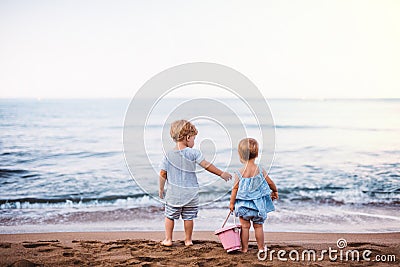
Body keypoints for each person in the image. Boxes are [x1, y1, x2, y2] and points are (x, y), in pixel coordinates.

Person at [159, 119, 232, 246]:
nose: (194, 141)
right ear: (187, 137)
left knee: (170, 216)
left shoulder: (168, 155)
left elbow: (163, 174)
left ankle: (168, 239)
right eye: (193, 138)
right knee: (188, 217)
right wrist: (221, 173)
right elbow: (206, 165)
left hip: (174, 194)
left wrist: (161, 189)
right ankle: (188, 240)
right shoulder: (194, 153)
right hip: (191, 193)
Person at [229, 138, 278, 253]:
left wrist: (231, 203)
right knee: (258, 227)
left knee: (245, 228)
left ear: (240, 155)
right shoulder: (260, 170)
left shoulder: (239, 172)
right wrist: (275, 191)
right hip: (258, 207)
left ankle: (245, 248)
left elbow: (234, 189)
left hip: (243, 207)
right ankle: (261, 248)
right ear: (256, 154)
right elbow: (270, 182)